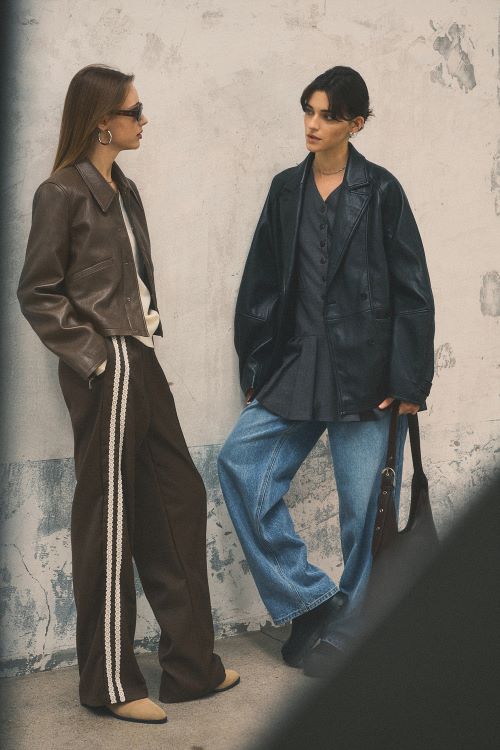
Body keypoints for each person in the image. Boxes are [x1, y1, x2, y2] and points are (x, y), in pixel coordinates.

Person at [17, 64, 239, 724]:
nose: (144, 121)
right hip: (106, 363)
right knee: (109, 518)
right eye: (134, 111)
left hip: (139, 356)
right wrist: (95, 359)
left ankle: (191, 669)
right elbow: (38, 292)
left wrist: (136, 344)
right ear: (101, 123)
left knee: (177, 499)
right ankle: (111, 683)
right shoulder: (61, 192)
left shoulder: (125, 188)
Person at [217, 66, 434, 676]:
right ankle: (310, 601)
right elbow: (260, 283)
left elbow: (414, 290)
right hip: (295, 363)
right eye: (308, 111)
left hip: (369, 377)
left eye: (328, 115)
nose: (312, 124)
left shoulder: (381, 190)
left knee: (364, 514)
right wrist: (256, 366)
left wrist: (409, 381)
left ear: (356, 123)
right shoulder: (286, 189)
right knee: (239, 464)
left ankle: (355, 632)